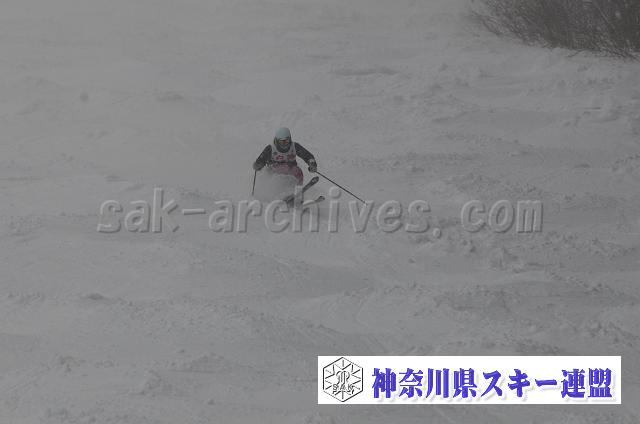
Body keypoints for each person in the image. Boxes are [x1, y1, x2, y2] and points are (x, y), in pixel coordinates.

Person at [252, 127, 317, 185]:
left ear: (290, 139)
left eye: (286, 141)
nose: (284, 145)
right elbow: (262, 159)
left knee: (298, 171)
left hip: (290, 169)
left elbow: (307, 155)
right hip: (274, 171)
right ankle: (273, 190)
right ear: (277, 141)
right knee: (283, 169)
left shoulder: (294, 146)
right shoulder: (271, 148)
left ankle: (298, 189)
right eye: (281, 142)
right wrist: (258, 164)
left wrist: (312, 163)